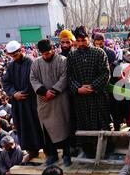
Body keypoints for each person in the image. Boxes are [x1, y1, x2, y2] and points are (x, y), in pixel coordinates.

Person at [67, 26, 111, 158]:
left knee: (101, 123)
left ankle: (105, 150)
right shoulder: (72, 55)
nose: (81, 44)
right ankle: (88, 151)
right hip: (80, 98)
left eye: (83, 40)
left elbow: (105, 73)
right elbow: (69, 76)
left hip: (98, 96)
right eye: (78, 41)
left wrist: (92, 87)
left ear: (88, 38)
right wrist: (78, 89)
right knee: (84, 123)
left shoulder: (99, 53)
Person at [30, 39, 72, 166]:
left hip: (60, 99)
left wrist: (52, 92)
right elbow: (33, 79)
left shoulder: (62, 60)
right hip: (44, 101)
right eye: (43, 54)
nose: (45, 56)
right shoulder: (36, 63)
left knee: (64, 126)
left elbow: (64, 77)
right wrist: (44, 92)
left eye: (47, 53)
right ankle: (52, 154)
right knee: (47, 129)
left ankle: (66, 154)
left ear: (53, 49)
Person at [2, 40, 44, 163]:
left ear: (21, 51)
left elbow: (34, 81)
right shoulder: (11, 66)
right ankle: (32, 151)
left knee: (37, 125)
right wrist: (14, 94)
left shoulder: (31, 62)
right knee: (23, 127)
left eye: (16, 54)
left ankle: (46, 150)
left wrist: (23, 93)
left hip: (31, 101)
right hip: (18, 103)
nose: (14, 57)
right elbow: (6, 82)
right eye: (12, 56)